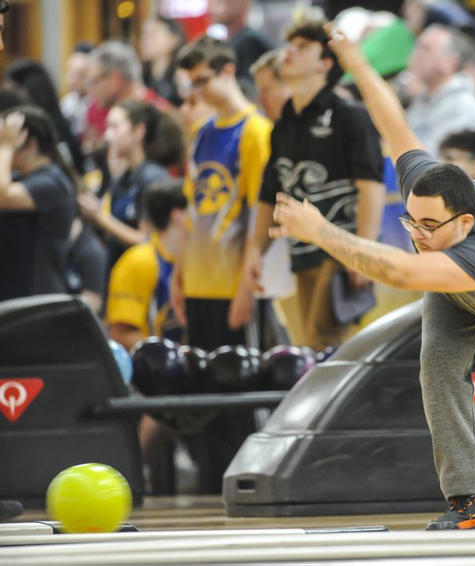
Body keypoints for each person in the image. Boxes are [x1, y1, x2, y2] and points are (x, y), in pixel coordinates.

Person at [265, 23, 475, 531]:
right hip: (463, 281)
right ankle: (473, 501)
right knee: (437, 365)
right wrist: (356, 61)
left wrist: (323, 232)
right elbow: (392, 125)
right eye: (411, 220)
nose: (417, 232)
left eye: (428, 226)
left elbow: (399, 269)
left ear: (464, 222)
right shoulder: (433, 191)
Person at [173, 36, 273, 494]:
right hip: (197, 277)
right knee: (205, 390)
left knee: (239, 391)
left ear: (229, 70)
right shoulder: (201, 132)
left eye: (202, 81)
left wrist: (245, 285)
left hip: (233, 277)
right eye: (191, 84)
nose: (195, 93)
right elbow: (194, 210)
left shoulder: (254, 130)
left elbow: (260, 210)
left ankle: (246, 483)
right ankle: (211, 483)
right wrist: (178, 271)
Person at [248, 19, 385, 351]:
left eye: (303, 47)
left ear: (325, 64)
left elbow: (371, 186)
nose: (290, 52)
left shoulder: (348, 115)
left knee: (323, 344)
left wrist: (363, 253)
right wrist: (255, 252)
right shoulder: (283, 126)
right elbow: (271, 195)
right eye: (290, 45)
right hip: (301, 251)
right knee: (312, 349)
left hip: (340, 250)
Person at [78, 100, 171, 270]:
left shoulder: (153, 178)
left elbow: (146, 239)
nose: (107, 135)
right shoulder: (123, 178)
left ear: (138, 131)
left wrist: (100, 217)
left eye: (114, 127)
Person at [0, 106, 77, 301]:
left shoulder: (53, 183)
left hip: (37, 299)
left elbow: (2, 195)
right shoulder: (17, 178)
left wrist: (6, 146)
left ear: (31, 144)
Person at [106, 180, 186, 351]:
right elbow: (121, 334)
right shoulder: (139, 261)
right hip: (153, 370)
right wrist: (174, 357)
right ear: (178, 215)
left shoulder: (194, 261)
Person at [405, 24, 475, 156]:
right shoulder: (421, 100)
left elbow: (451, 167)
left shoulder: (463, 105)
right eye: (417, 47)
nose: (415, 55)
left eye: (425, 49)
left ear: (450, 62)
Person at [140, 17, 187, 107]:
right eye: (144, 35)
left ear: (173, 39)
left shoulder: (182, 74)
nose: (145, 41)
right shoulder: (141, 74)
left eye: (152, 35)